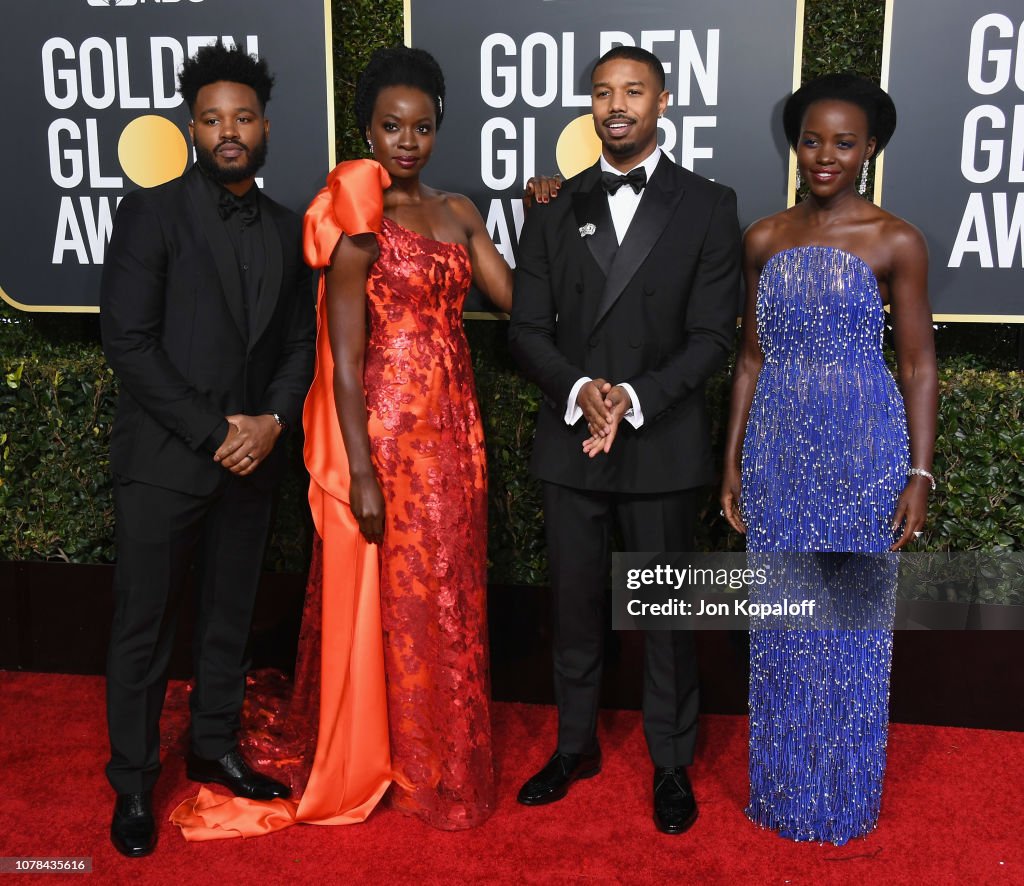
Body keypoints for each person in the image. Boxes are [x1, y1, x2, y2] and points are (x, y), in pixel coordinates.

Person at [172, 45, 539, 838]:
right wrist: (363, 473)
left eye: (423, 127)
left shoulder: (461, 212)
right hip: (385, 436)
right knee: (390, 600)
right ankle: (390, 757)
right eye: (391, 126)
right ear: (368, 131)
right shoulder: (358, 220)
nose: (407, 141)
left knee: (447, 594)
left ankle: (442, 753)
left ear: (439, 129)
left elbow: (521, 306)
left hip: (455, 438)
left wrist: (543, 216)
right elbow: (340, 364)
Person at [508, 45, 741, 835]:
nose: (617, 106)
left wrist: (632, 398)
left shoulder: (710, 204)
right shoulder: (552, 205)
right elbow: (527, 330)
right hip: (572, 438)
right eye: (603, 92)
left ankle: (672, 762)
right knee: (574, 607)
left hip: (661, 439)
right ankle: (574, 746)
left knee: (667, 616)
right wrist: (581, 392)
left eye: (633, 91)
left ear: (663, 101)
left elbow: (714, 336)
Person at [100, 42, 315, 857]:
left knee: (229, 615)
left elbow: (299, 345)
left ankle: (214, 746)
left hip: (253, 462)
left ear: (264, 126)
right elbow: (128, 338)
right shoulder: (152, 213)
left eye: (244, 117)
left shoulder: (291, 229)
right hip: (165, 460)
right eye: (214, 118)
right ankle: (131, 783)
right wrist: (214, 429)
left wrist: (271, 423)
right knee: (144, 627)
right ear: (192, 127)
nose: (230, 131)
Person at [720, 73, 937, 844]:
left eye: (844, 143)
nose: (824, 156)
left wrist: (918, 471)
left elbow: (918, 367)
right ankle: (782, 790)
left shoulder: (895, 239)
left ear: (870, 147)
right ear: (795, 142)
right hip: (779, 447)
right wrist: (733, 461)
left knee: (849, 626)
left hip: (862, 450)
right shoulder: (765, 237)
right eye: (813, 140)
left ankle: (843, 794)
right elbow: (749, 359)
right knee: (782, 622)